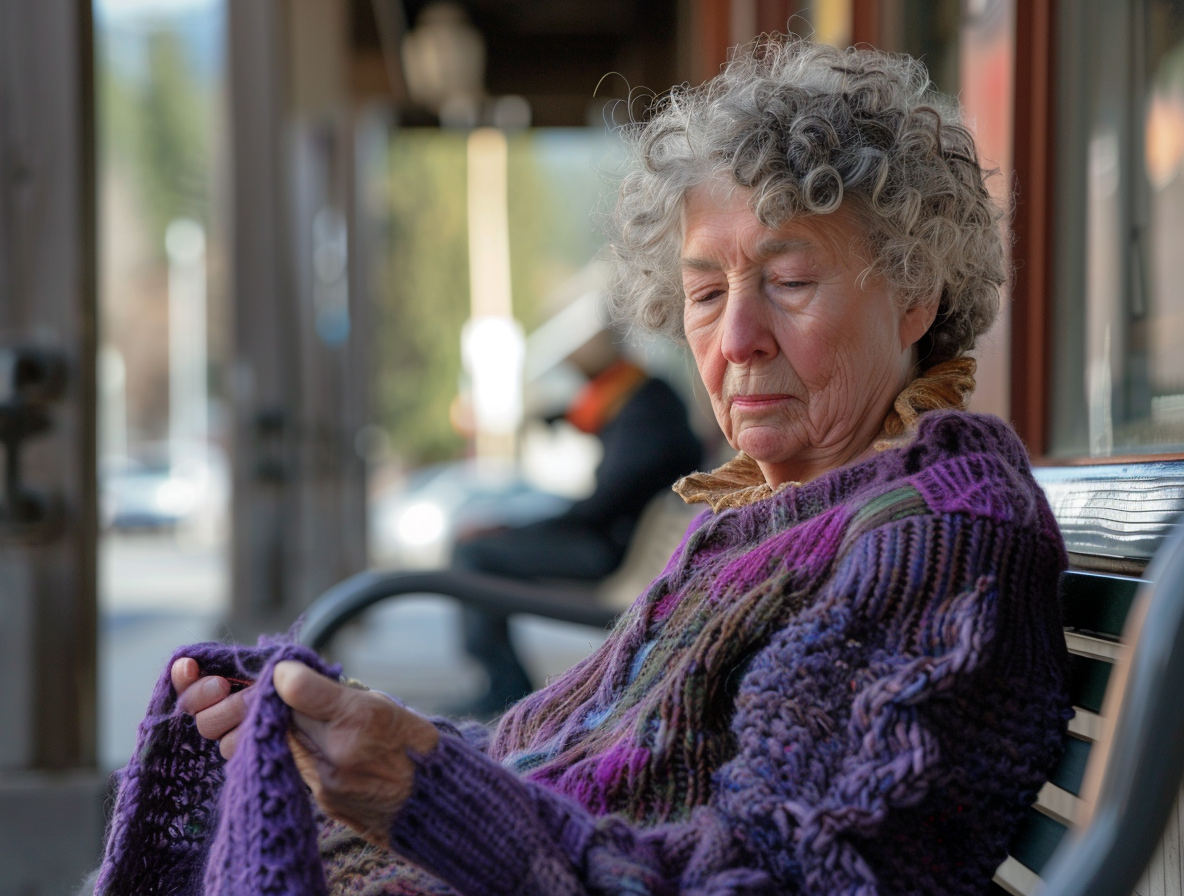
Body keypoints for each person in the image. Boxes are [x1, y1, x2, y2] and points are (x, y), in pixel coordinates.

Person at [94, 39, 1072, 896]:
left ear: (914, 294)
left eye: (789, 280)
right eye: (704, 294)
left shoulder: (935, 541)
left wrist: (421, 788)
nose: (737, 338)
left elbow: (771, 878)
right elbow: (561, 753)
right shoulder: (763, 519)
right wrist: (348, 742)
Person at [452, 330, 703, 716]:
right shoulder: (639, 401)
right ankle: (503, 685)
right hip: (614, 541)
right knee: (475, 550)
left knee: (474, 556)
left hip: (608, 553)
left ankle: (503, 687)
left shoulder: (646, 410)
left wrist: (513, 529)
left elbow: (600, 507)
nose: (579, 381)